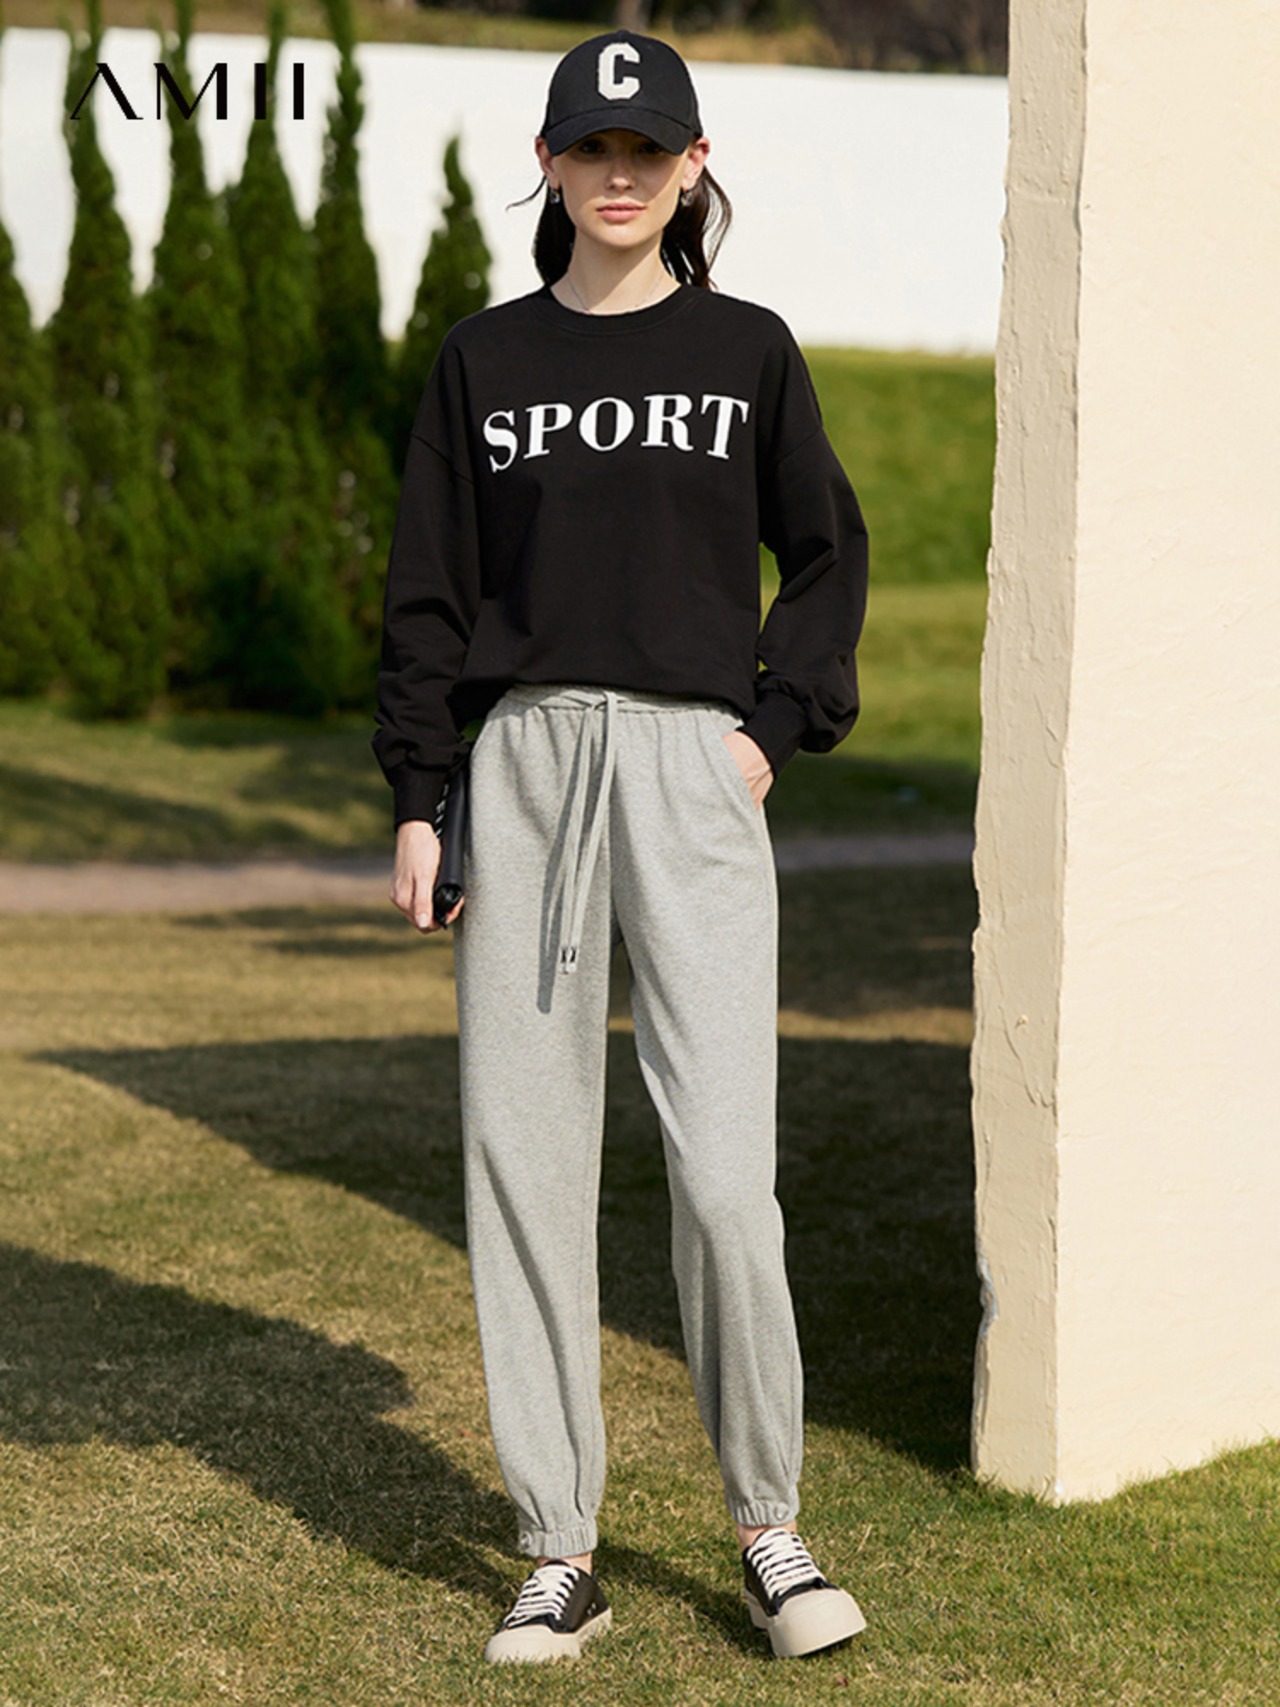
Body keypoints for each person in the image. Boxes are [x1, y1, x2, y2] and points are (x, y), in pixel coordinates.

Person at [373, 27, 869, 1666]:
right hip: (520, 766)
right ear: (550, 164)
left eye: (646, 150)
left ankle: (770, 1530)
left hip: (691, 766)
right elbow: (429, 595)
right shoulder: (483, 363)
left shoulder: (747, 352)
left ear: (692, 166)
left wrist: (771, 726)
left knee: (724, 1177)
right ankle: (558, 1547)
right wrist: (423, 793)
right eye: (590, 149)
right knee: (524, 1162)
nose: (617, 175)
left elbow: (828, 555)